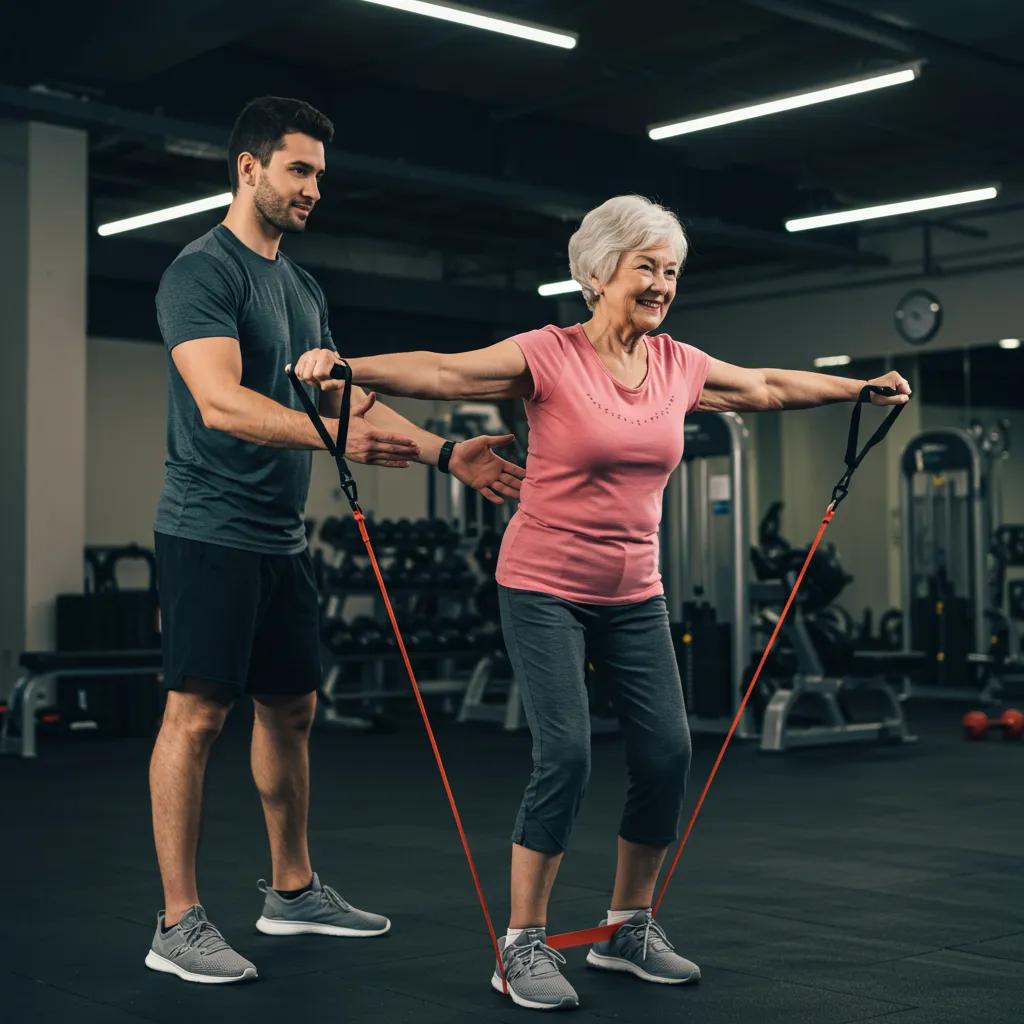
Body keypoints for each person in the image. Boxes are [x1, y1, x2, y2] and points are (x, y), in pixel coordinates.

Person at [292, 194, 912, 1010]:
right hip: (542, 586)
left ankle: (628, 927)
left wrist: (858, 389)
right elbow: (445, 371)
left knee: (666, 753)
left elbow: (762, 385)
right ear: (597, 273)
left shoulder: (678, 365)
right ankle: (522, 943)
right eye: (646, 267)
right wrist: (348, 368)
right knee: (567, 754)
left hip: (635, 593)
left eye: (672, 271)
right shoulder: (548, 356)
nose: (662, 285)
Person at [146, 95, 525, 985]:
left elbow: (341, 400)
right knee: (196, 716)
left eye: (320, 173)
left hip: (280, 539)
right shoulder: (201, 273)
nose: (315, 188)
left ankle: (292, 891)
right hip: (207, 530)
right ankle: (177, 921)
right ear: (249, 168)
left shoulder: (301, 288)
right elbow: (221, 403)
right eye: (299, 170)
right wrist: (336, 438)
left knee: (292, 710)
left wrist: (446, 454)